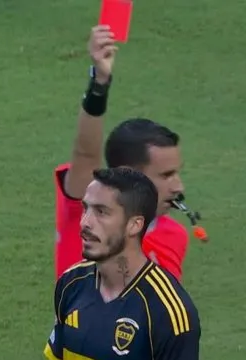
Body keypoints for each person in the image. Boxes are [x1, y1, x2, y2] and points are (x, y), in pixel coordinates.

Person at [28, 168, 201, 360]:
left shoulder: (168, 311)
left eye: (101, 212)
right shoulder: (71, 285)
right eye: (86, 209)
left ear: (134, 225)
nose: (85, 222)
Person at [55, 25, 188, 282]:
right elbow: (85, 154)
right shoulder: (89, 216)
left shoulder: (174, 236)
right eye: (166, 175)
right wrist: (99, 84)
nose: (178, 187)